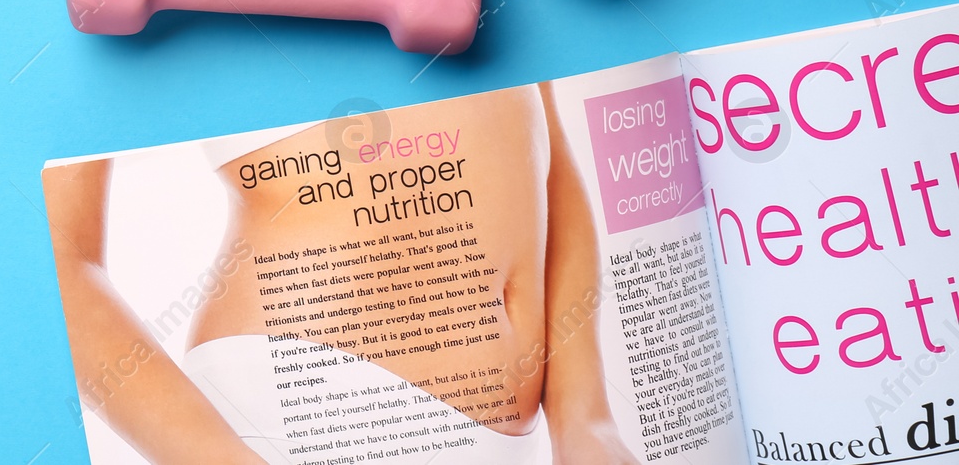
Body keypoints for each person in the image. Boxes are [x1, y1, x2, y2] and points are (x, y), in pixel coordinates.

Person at [42, 83, 638, 464]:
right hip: (313, 417)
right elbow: (64, 262)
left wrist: (587, 418)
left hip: (517, 436)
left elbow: (548, 158)